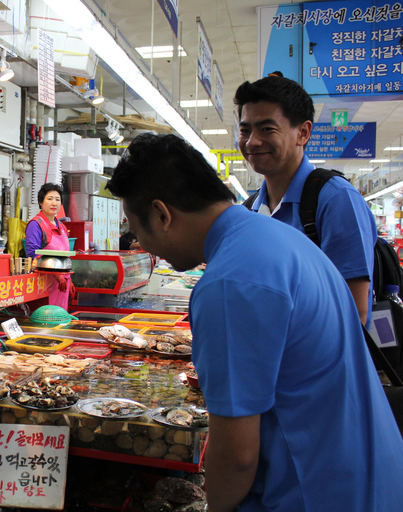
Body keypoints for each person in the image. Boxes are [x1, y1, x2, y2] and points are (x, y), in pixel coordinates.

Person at [107, 133, 403, 512]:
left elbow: (237, 456)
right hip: (369, 478)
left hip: (312, 493)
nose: (142, 244)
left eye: (137, 228)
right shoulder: (281, 239)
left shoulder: (230, 283)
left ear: (162, 215)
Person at [234, 76, 376, 326]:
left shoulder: (335, 199)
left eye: (267, 129)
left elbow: (354, 312)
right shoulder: (251, 210)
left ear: (303, 132)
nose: (252, 141)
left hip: (319, 363)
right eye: (245, 130)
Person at [25, 182, 70, 308]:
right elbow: (32, 254)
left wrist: (68, 279)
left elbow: (65, 258)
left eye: (57, 200)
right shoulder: (35, 225)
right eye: (49, 199)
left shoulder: (62, 227)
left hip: (62, 284)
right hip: (45, 285)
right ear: (40, 202)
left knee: (60, 320)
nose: (54, 203)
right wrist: (56, 274)